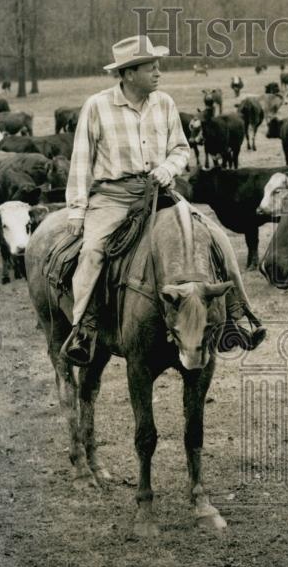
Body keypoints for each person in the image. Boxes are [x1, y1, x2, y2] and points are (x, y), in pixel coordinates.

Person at [61, 35, 266, 367]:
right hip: (113, 197)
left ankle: (237, 317)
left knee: (218, 239)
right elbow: (81, 161)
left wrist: (167, 169)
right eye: (150, 67)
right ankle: (83, 329)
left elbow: (181, 150)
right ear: (128, 74)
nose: (158, 73)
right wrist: (77, 209)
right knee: (92, 252)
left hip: (160, 193)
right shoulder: (97, 106)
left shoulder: (165, 103)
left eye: (158, 67)